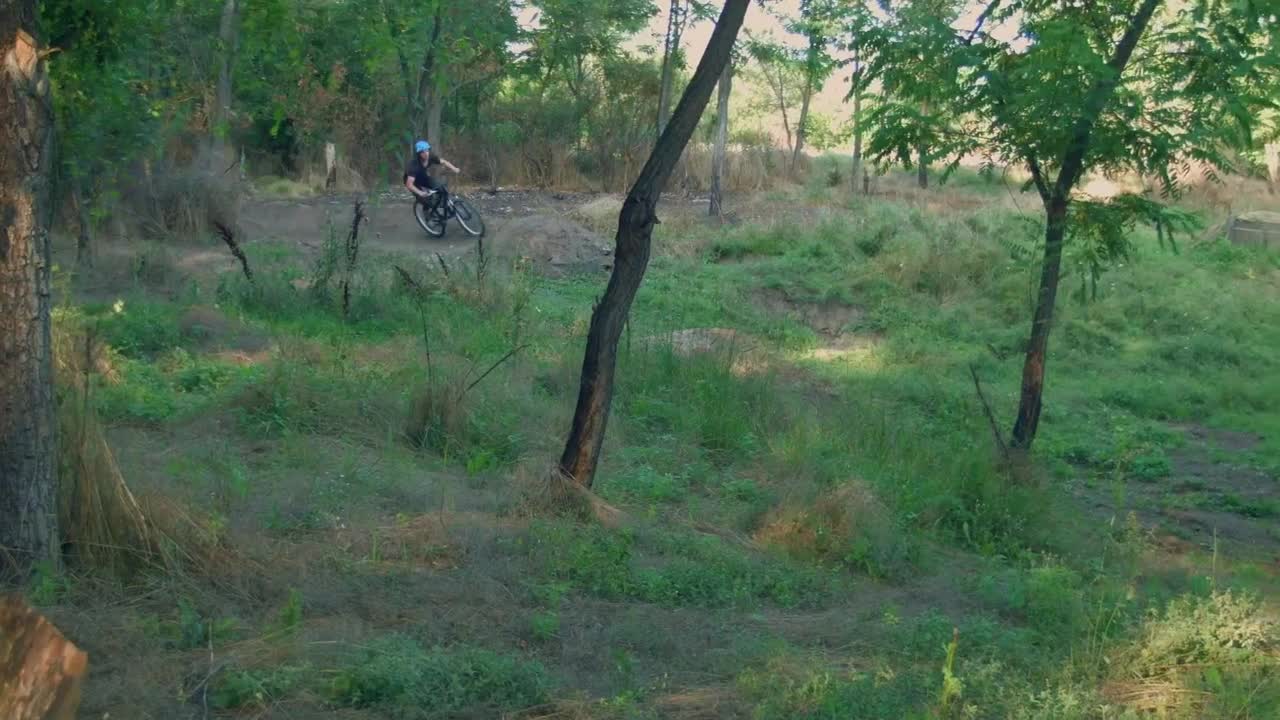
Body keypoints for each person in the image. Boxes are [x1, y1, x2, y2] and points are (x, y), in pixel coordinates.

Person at [404, 140, 461, 213]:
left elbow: (443, 161)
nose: (426, 153)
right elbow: (409, 184)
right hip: (413, 183)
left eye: (427, 150)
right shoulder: (413, 165)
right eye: (423, 152)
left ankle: (441, 204)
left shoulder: (431, 157)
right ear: (418, 154)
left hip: (423, 177)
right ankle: (426, 212)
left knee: (440, 188)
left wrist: (454, 168)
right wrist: (420, 192)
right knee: (425, 199)